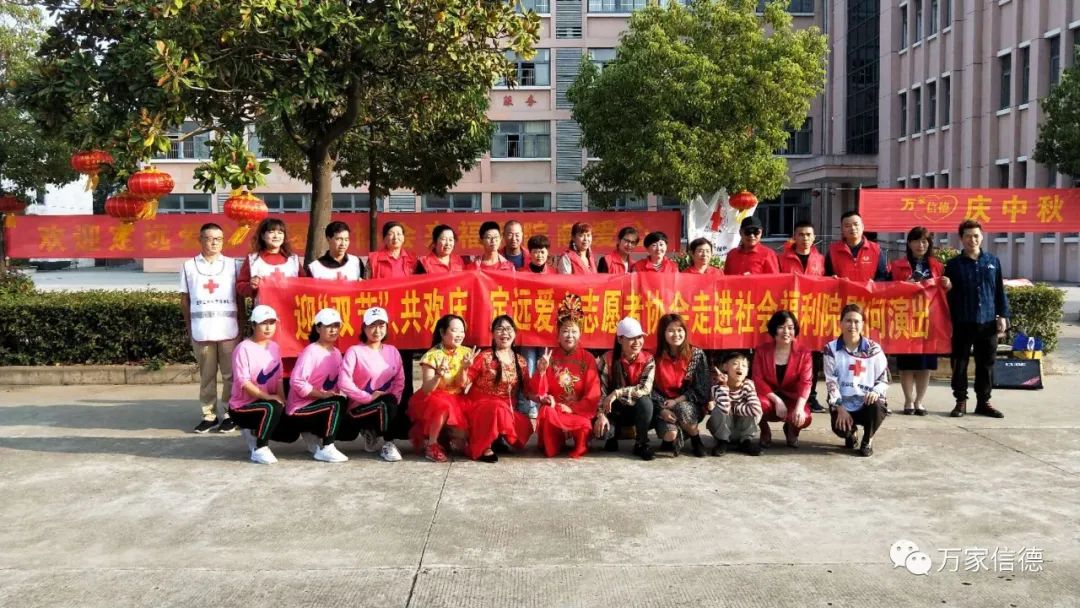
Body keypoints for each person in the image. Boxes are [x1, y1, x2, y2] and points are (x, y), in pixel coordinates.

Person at [944, 219, 1010, 419]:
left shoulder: (992, 261)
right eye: (968, 236)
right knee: (960, 363)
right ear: (961, 239)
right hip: (962, 321)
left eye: (976, 236)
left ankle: (984, 401)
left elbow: (999, 290)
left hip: (988, 321)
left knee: (986, 363)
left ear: (981, 237)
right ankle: (960, 401)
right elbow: (946, 296)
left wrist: (1003, 315)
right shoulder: (953, 265)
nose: (972, 240)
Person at [182, 223, 243, 434]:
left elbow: (239, 297)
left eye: (218, 238)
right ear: (200, 240)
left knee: (230, 375)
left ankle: (229, 413)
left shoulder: (233, 265)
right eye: (209, 238)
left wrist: (242, 324)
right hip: (202, 330)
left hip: (229, 329)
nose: (214, 242)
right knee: (207, 376)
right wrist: (189, 327)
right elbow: (184, 299)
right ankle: (208, 415)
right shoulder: (189, 266)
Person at [889, 226, 953, 415]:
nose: (920, 245)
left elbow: (944, 292)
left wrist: (948, 285)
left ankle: (919, 401)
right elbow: (887, 289)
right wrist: (903, 285)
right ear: (909, 243)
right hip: (905, 319)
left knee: (925, 364)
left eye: (924, 241)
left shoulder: (937, 266)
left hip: (929, 321)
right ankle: (908, 401)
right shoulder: (897, 265)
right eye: (916, 241)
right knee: (907, 363)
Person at [528, 294, 601, 458]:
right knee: (546, 412)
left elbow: (593, 393)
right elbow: (537, 392)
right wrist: (541, 372)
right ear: (558, 335)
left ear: (580, 334)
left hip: (577, 412)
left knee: (584, 425)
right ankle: (554, 442)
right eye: (565, 331)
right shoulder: (550, 357)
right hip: (556, 410)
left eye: (574, 331)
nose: (569, 336)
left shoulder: (587, 358)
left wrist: (573, 408)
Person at [339, 306, 405, 462]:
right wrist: (367, 397)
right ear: (364, 328)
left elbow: (399, 380)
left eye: (381, 325)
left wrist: (394, 402)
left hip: (386, 404)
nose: (377, 330)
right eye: (372, 325)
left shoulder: (392, 351)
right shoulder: (355, 351)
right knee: (386, 403)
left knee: (394, 407)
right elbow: (344, 382)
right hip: (359, 408)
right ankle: (388, 444)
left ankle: (373, 432)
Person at [462, 316, 532, 462]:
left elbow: (528, 391)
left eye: (508, 329)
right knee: (496, 407)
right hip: (479, 405)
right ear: (493, 334)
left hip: (506, 409)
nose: (504, 333)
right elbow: (464, 383)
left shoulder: (521, 361)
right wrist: (464, 369)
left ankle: (496, 437)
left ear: (515, 333)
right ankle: (484, 446)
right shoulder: (484, 357)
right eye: (500, 329)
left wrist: (542, 397)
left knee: (524, 427)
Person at [409, 314, 478, 462]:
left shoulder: (466, 353)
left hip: (458, 399)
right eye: (454, 330)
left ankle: (446, 438)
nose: (459, 335)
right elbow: (427, 389)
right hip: (434, 399)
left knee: (462, 439)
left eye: (462, 331)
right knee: (443, 405)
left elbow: (462, 384)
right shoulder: (432, 355)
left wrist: (464, 368)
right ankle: (432, 444)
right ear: (442, 332)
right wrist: (438, 375)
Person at [284, 308, 350, 463]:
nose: (333, 330)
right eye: (328, 326)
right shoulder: (311, 351)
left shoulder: (336, 353)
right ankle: (327, 448)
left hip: (319, 406)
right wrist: (323, 395)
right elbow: (297, 381)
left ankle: (313, 435)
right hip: (300, 409)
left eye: (336, 325)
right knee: (337, 403)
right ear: (318, 328)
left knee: (344, 403)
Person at [824, 304, 889, 457]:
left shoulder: (874, 349)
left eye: (856, 321)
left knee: (877, 404)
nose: (852, 325)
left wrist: (875, 392)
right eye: (848, 321)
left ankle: (868, 439)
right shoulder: (831, 349)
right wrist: (840, 408)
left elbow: (884, 380)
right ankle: (851, 433)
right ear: (840, 323)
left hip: (867, 402)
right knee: (841, 429)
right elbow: (831, 382)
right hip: (844, 403)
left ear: (862, 324)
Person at [778, 220, 826, 412]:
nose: (805, 238)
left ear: (814, 238)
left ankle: (810, 395)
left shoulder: (821, 260)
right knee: (788, 356)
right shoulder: (782, 259)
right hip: (790, 317)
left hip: (814, 315)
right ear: (794, 237)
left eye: (808, 235)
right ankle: (787, 394)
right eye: (801, 234)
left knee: (813, 357)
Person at [228, 305, 286, 464]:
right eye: (263, 323)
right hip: (242, 406)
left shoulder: (274, 347)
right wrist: (268, 397)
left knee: (288, 431)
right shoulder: (243, 349)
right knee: (272, 407)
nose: (268, 327)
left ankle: (254, 432)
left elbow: (279, 377)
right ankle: (260, 448)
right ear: (253, 325)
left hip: (264, 401)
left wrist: (283, 399)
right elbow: (243, 382)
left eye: (271, 322)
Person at [593, 317, 656, 460]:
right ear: (620, 339)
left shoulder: (648, 359)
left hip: (637, 410)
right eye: (631, 338)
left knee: (645, 402)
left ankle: (641, 442)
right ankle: (612, 436)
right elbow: (601, 391)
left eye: (639, 337)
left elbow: (644, 389)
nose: (637, 342)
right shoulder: (607, 359)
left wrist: (617, 393)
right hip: (614, 410)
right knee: (602, 432)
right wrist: (601, 415)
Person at [651, 313, 710, 457]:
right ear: (663, 333)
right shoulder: (654, 356)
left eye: (679, 330)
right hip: (663, 405)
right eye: (670, 330)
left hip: (689, 405)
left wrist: (676, 401)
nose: (676, 334)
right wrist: (662, 409)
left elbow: (702, 389)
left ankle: (695, 438)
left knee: (682, 408)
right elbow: (649, 388)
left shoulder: (696, 355)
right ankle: (672, 437)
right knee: (669, 434)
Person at [752, 311, 813, 448]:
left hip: (792, 398)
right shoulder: (762, 350)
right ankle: (765, 430)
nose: (786, 332)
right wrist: (777, 400)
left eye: (790, 328)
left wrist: (799, 407)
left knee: (805, 416)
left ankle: (792, 430)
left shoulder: (804, 353)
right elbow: (758, 379)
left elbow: (806, 382)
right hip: (769, 398)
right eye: (781, 327)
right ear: (774, 329)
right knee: (755, 404)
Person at [706, 351, 763, 456]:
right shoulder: (717, 387)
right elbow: (724, 408)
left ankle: (745, 441)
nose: (740, 367)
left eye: (744, 366)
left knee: (751, 407)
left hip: (741, 429)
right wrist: (724, 385)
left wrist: (734, 407)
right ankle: (723, 441)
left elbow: (756, 410)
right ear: (725, 367)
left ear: (747, 372)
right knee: (719, 408)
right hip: (723, 430)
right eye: (735, 364)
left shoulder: (748, 385)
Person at [236, 218, 305, 303]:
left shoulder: (293, 259)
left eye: (280, 233)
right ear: (262, 236)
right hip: (264, 308)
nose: (276, 236)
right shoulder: (253, 259)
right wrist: (251, 286)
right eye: (271, 232)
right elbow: (240, 285)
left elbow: (305, 284)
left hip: (290, 307)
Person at [824, 210, 890, 282]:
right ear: (842, 230)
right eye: (847, 226)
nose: (852, 228)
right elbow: (826, 275)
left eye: (856, 224)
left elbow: (884, 276)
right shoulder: (833, 251)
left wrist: (875, 283)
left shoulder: (875, 249)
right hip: (843, 289)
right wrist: (831, 279)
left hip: (867, 289)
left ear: (862, 227)